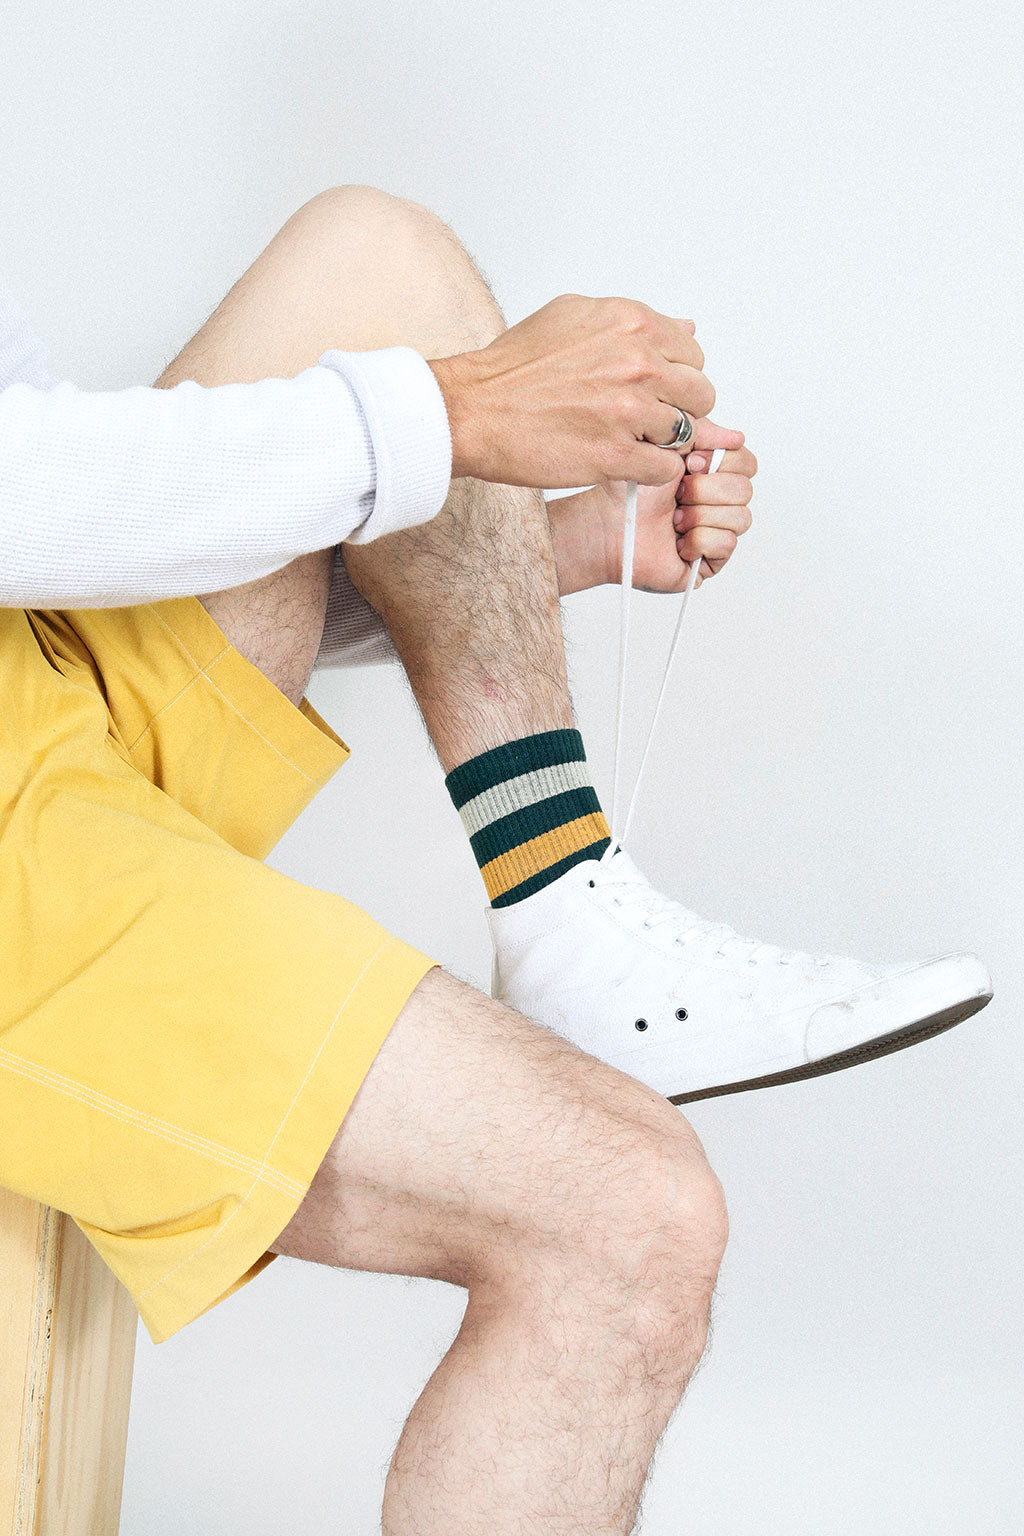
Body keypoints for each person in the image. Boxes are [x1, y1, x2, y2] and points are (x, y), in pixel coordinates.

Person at [0, 184, 992, 1535]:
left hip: (39, 671)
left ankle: (564, 902)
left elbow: (46, 502)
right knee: (628, 1218)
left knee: (376, 262)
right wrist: (453, 415)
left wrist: (530, 547)